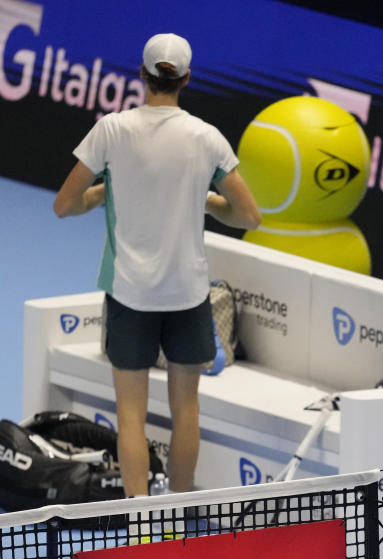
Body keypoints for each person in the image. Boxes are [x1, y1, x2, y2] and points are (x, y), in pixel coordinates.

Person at [53, 33, 260, 497]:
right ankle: (181, 517)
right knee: (187, 409)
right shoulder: (207, 138)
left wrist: (104, 192)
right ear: (187, 79)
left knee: (131, 415)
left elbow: (64, 205)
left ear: (142, 75)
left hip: (129, 294)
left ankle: (139, 522)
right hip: (188, 297)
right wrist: (206, 202)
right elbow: (248, 214)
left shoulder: (111, 130)